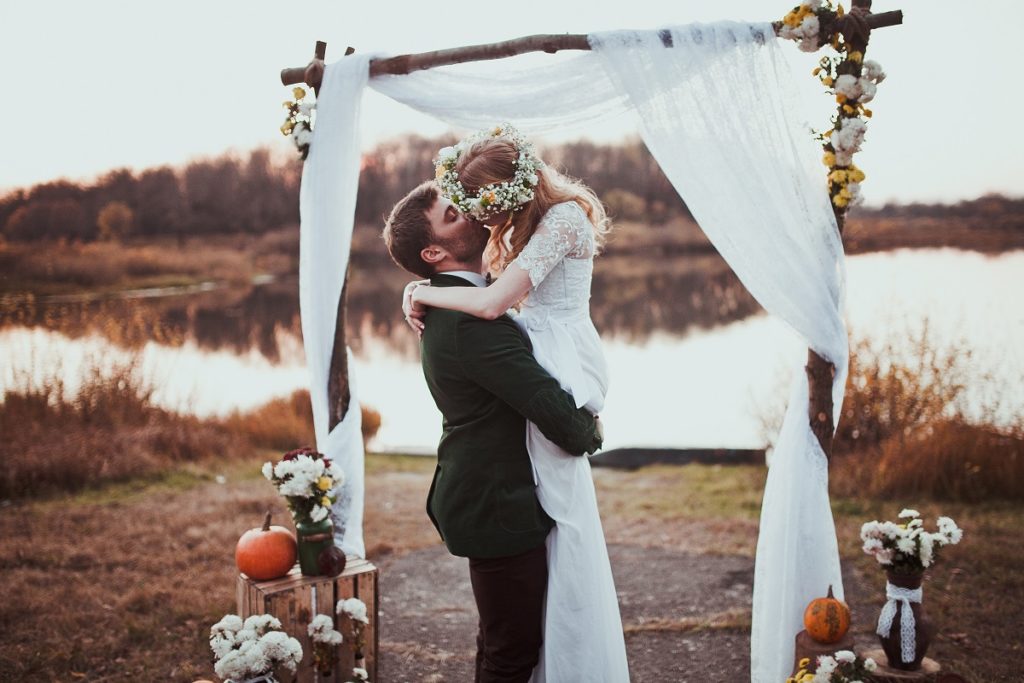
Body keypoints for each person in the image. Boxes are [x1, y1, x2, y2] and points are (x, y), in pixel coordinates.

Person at [401, 124, 630, 683]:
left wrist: (418, 289)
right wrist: (587, 433)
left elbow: (497, 303)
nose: (475, 213)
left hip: (555, 360)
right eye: (458, 212)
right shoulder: (468, 317)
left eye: (473, 202)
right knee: (509, 650)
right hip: (494, 500)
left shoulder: (554, 224)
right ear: (434, 250)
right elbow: (559, 417)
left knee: (504, 641)